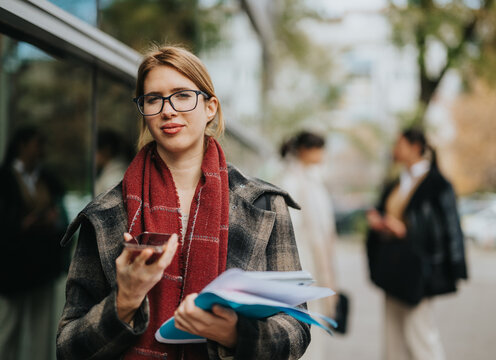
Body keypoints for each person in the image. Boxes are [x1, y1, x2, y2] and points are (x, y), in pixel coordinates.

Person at [56, 45, 310, 360]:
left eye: (182, 95)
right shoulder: (106, 214)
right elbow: (68, 348)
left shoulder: (264, 205)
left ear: (210, 108)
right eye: (153, 99)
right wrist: (124, 302)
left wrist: (235, 333)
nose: (168, 110)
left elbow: (298, 327)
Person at [366, 128, 468, 360]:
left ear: (414, 147)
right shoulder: (396, 182)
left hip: (419, 269)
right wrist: (380, 222)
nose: (395, 149)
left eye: (399, 144)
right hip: (393, 267)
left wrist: (405, 230)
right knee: (393, 337)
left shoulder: (437, 183)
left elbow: (447, 228)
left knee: (420, 333)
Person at [0, 126, 68, 360]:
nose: (41, 150)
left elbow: (62, 215)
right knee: (7, 329)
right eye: (37, 144)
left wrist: (52, 219)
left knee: (42, 330)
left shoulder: (47, 179)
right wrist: (20, 224)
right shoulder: (5, 178)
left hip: (42, 264)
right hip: (12, 266)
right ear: (22, 145)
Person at [279, 131, 337, 360]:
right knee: (304, 325)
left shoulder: (313, 179)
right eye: (318, 148)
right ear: (304, 150)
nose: (322, 154)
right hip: (300, 265)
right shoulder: (290, 181)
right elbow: (289, 229)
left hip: (315, 265)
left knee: (315, 324)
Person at [94, 129, 131, 196]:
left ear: (106, 150)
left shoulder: (114, 178)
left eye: (95, 150)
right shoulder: (111, 173)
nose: (93, 155)